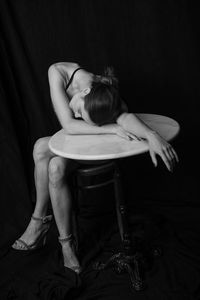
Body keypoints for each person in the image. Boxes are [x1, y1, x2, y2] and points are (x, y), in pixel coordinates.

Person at [12, 62, 179, 274]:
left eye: (83, 115)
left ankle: (44, 228)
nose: (79, 115)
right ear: (85, 91)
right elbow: (70, 125)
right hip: (76, 140)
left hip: (96, 148)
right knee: (46, 156)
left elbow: (125, 115)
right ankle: (58, 238)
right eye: (82, 111)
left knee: (48, 158)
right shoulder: (57, 72)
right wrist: (113, 128)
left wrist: (152, 135)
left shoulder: (104, 93)